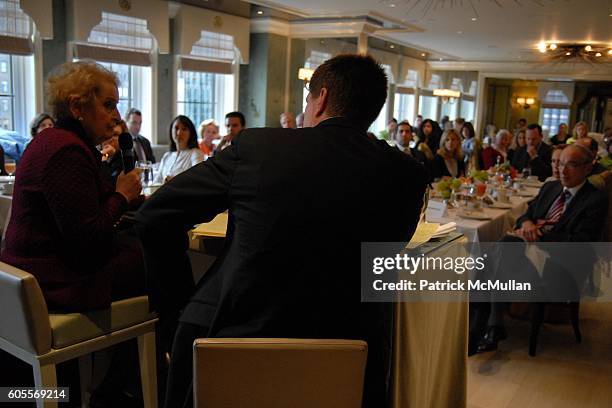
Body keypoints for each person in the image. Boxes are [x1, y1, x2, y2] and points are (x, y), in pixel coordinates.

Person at [134, 54, 428, 408]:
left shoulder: (259, 148)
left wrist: (179, 303)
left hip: (235, 334)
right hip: (352, 349)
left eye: (306, 100)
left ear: (321, 97)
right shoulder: (406, 174)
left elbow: (155, 215)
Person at [1, 60, 144, 311]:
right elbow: (89, 237)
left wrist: (124, 197)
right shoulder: (66, 150)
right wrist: (122, 196)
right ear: (77, 106)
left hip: (32, 272)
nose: (117, 117)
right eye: (109, 105)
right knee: (160, 258)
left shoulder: (52, 140)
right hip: (53, 282)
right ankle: (176, 344)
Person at [472, 144, 608, 353]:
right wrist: (526, 225)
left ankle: (480, 330)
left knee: (492, 258)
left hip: (560, 264)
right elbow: (525, 215)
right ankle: (491, 327)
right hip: (527, 255)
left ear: (588, 168)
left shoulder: (595, 199)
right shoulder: (550, 188)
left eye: (571, 165)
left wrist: (538, 235)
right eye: (561, 164)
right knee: (494, 257)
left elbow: (582, 242)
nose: (563, 170)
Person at [153, 115, 204, 184]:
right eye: (176, 128)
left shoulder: (195, 153)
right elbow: (157, 181)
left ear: (191, 133)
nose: (179, 133)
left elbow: (198, 179)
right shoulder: (167, 156)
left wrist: (173, 181)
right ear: (171, 131)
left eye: (184, 129)